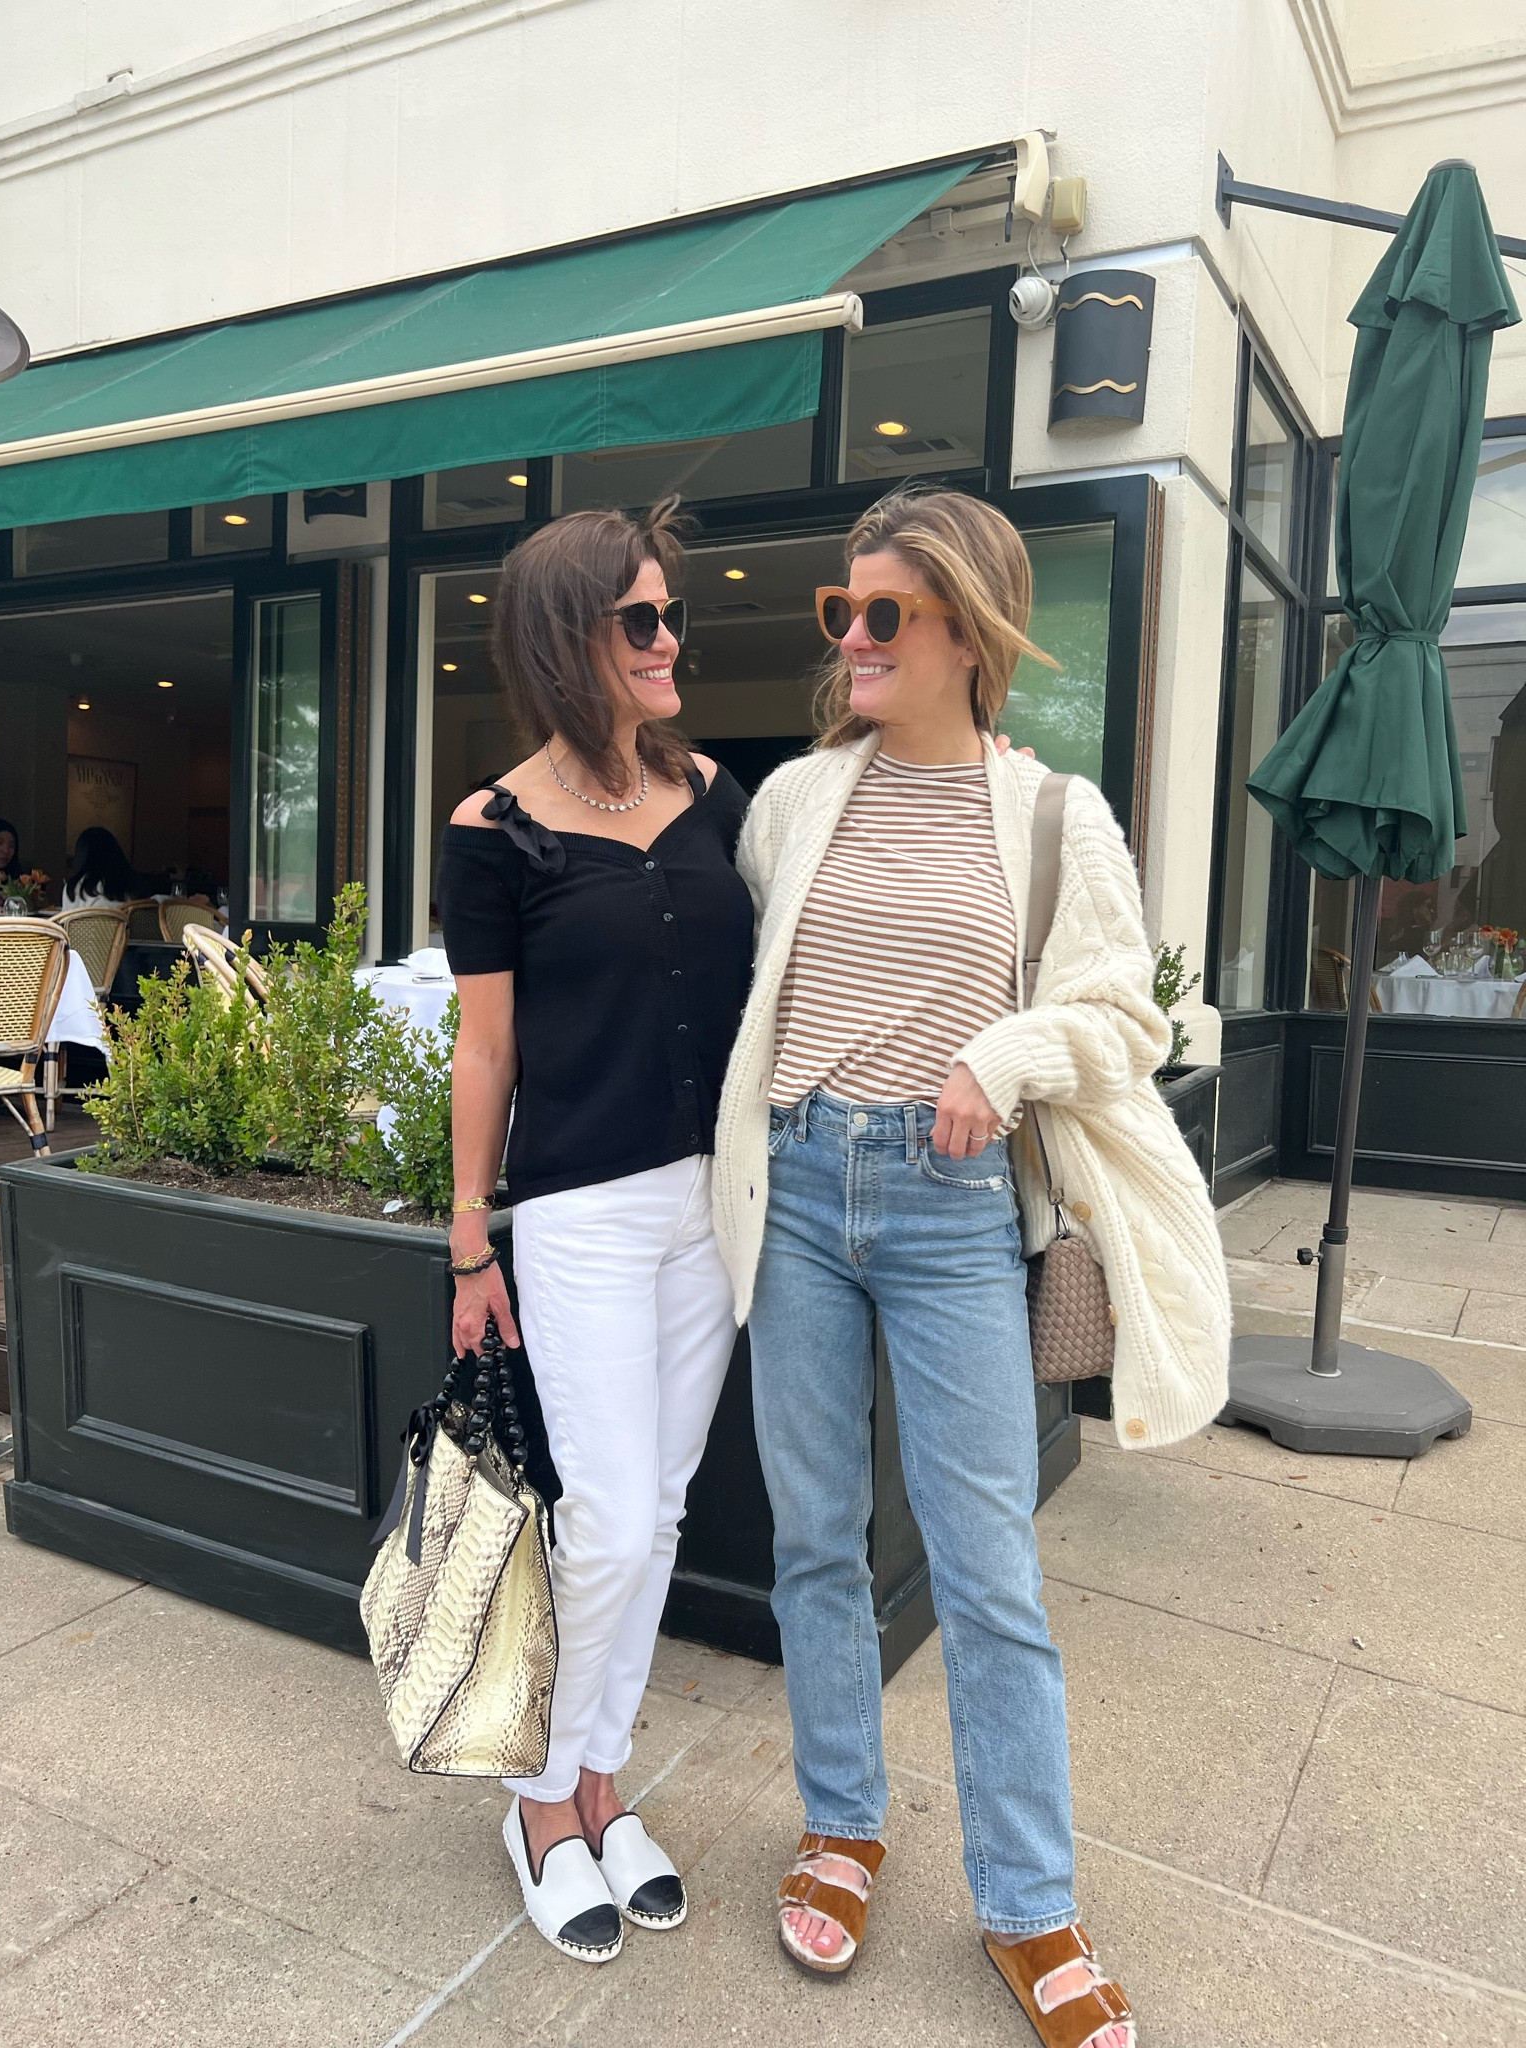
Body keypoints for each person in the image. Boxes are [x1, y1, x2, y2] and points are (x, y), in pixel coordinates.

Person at [713, 488, 1229, 2048]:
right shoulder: (795, 799)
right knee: (814, 1540)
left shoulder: (1055, 815)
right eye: (841, 613)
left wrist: (1001, 1053)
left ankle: (1030, 1904)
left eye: (886, 616)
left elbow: (1123, 1017)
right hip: (799, 1182)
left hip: (948, 1213)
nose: (852, 640)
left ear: (969, 632)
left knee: (987, 1569)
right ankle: (844, 1823)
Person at [435, 499, 754, 1966]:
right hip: (580, 1214)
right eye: (641, 617)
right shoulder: (494, 829)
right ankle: (537, 1799)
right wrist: (468, 1242)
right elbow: (485, 1053)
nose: (671, 635)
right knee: (609, 1522)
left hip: (716, 1206)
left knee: (665, 1508)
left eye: (671, 611)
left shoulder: (716, 796)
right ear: (573, 639)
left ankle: (604, 1780)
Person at [63, 826, 140, 909]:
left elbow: (65, 920)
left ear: (81, 856)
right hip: (122, 921)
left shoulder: (72, 888)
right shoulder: (129, 884)